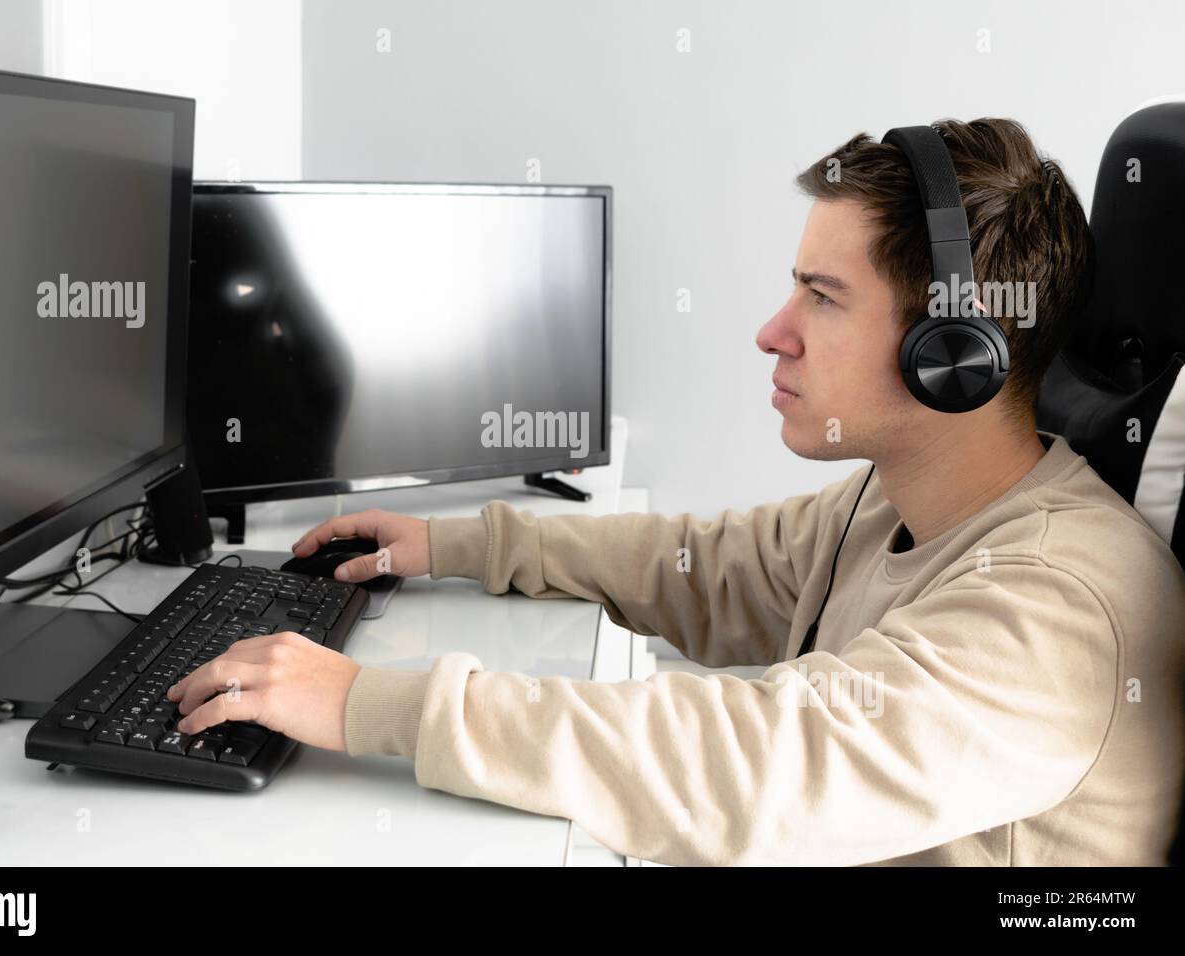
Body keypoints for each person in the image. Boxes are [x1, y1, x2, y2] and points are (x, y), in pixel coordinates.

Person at [166, 118, 1185, 866]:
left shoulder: (1058, 609)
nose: (772, 330)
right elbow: (709, 563)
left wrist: (368, 702)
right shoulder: (902, 501)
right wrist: (462, 544)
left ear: (950, 355)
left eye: (821, 298)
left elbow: (753, 760)